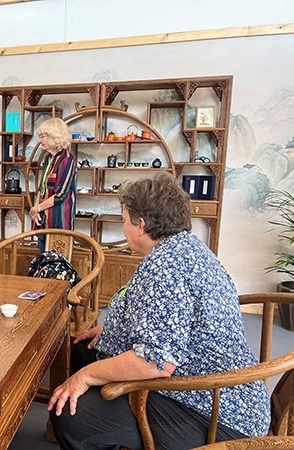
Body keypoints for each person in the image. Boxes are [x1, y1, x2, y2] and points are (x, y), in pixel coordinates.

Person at [48, 172, 270, 449]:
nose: (124, 228)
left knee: (71, 419)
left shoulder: (165, 267)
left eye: (124, 220)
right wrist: (114, 329)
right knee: (83, 350)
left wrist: (85, 377)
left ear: (140, 224)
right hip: (215, 387)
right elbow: (170, 320)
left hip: (215, 410)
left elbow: (156, 363)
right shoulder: (185, 247)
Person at [28, 118, 77, 252]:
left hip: (59, 220)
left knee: (57, 261)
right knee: (43, 259)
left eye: (42, 136)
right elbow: (42, 187)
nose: (40, 141)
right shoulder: (48, 158)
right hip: (43, 220)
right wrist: (36, 210)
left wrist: (38, 208)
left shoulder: (67, 160)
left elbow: (60, 195)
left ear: (54, 136)